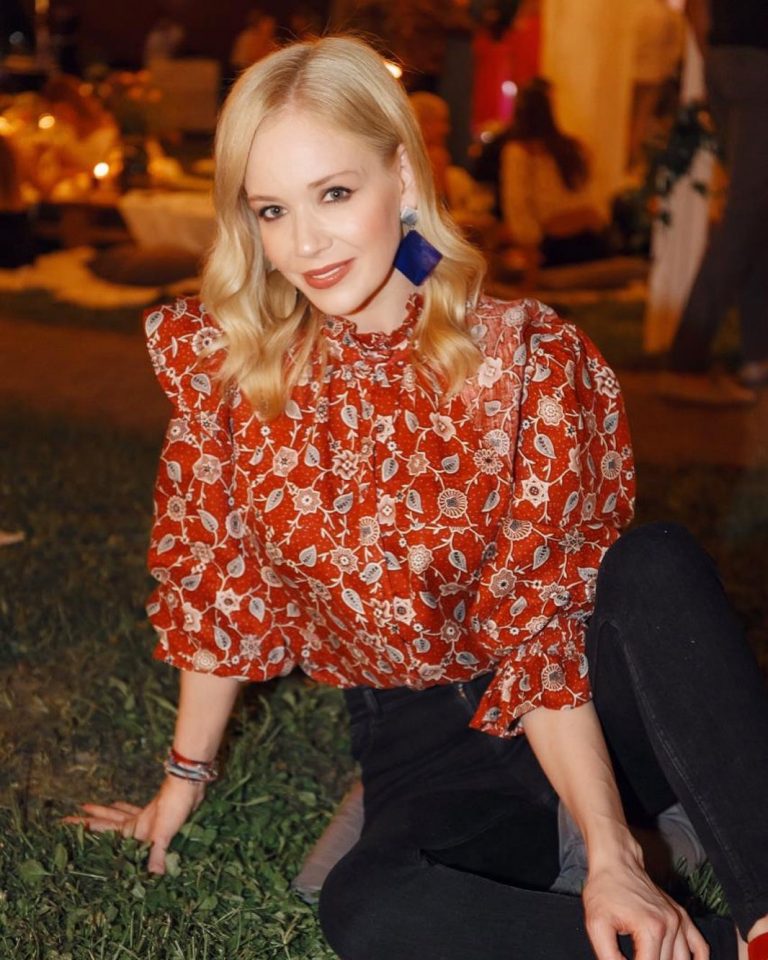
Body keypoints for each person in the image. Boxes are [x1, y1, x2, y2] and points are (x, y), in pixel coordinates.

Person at [65, 36, 768, 960]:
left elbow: (541, 629)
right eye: (272, 209)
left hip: (586, 704)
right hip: (424, 740)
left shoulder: (519, 359)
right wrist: (180, 781)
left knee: (655, 564)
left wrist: (611, 850)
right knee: (370, 908)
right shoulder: (235, 377)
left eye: (334, 193)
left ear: (400, 173)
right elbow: (221, 593)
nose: (305, 244)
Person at [663, 0, 768, 403]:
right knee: (746, 214)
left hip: (726, 60)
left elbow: (695, 7)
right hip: (757, 64)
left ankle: (756, 356)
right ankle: (687, 359)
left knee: (755, 212)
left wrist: (714, 59)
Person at [498, 77, 610, 286]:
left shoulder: (520, 152)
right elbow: (593, 196)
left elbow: (518, 207)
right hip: (593, 239)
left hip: (555, 246)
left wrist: (530, 258)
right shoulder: (573, 148)